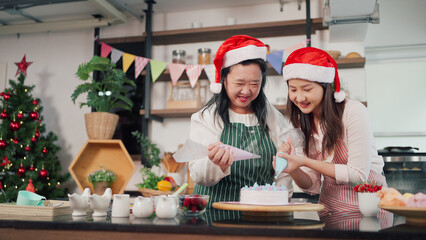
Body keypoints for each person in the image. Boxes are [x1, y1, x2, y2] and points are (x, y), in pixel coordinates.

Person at [276, 47, 391, 223]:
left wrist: (304, 161)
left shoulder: (353, 112)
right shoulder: (302, 120)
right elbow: (313, 186)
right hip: (330, 212)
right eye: (293, 90)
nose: (299, 97)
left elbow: (358, 175)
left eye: (307, 89)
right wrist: (293, 168)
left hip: (369, 212)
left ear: (325, 86)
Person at [188, 35, 293, 207]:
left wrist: (282, 204)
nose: (246, 91)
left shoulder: (272, 116)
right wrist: (215, 163)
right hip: (216, 216)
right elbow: (198, 176)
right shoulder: (205, 118)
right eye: (239, 83)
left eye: (254, 83)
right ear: (224, 79)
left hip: (261, 215)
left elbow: (283, 170)